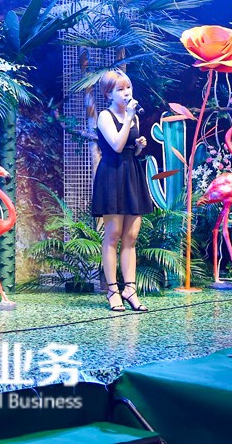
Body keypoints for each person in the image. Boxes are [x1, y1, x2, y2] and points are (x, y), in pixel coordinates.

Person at [91, 70, 153, 312]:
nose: (127, 93)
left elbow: (127, 147)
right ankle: (112, 290)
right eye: (120, 89)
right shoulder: (105, 116)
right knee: (113, 234)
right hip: (112, 175)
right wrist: (128, 118)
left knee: (131, 236)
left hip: (131, 173)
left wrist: (138, 147)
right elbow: (116, 145)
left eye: (128, 88)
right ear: (109, 94)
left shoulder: (132, 117)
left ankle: (130, 289)